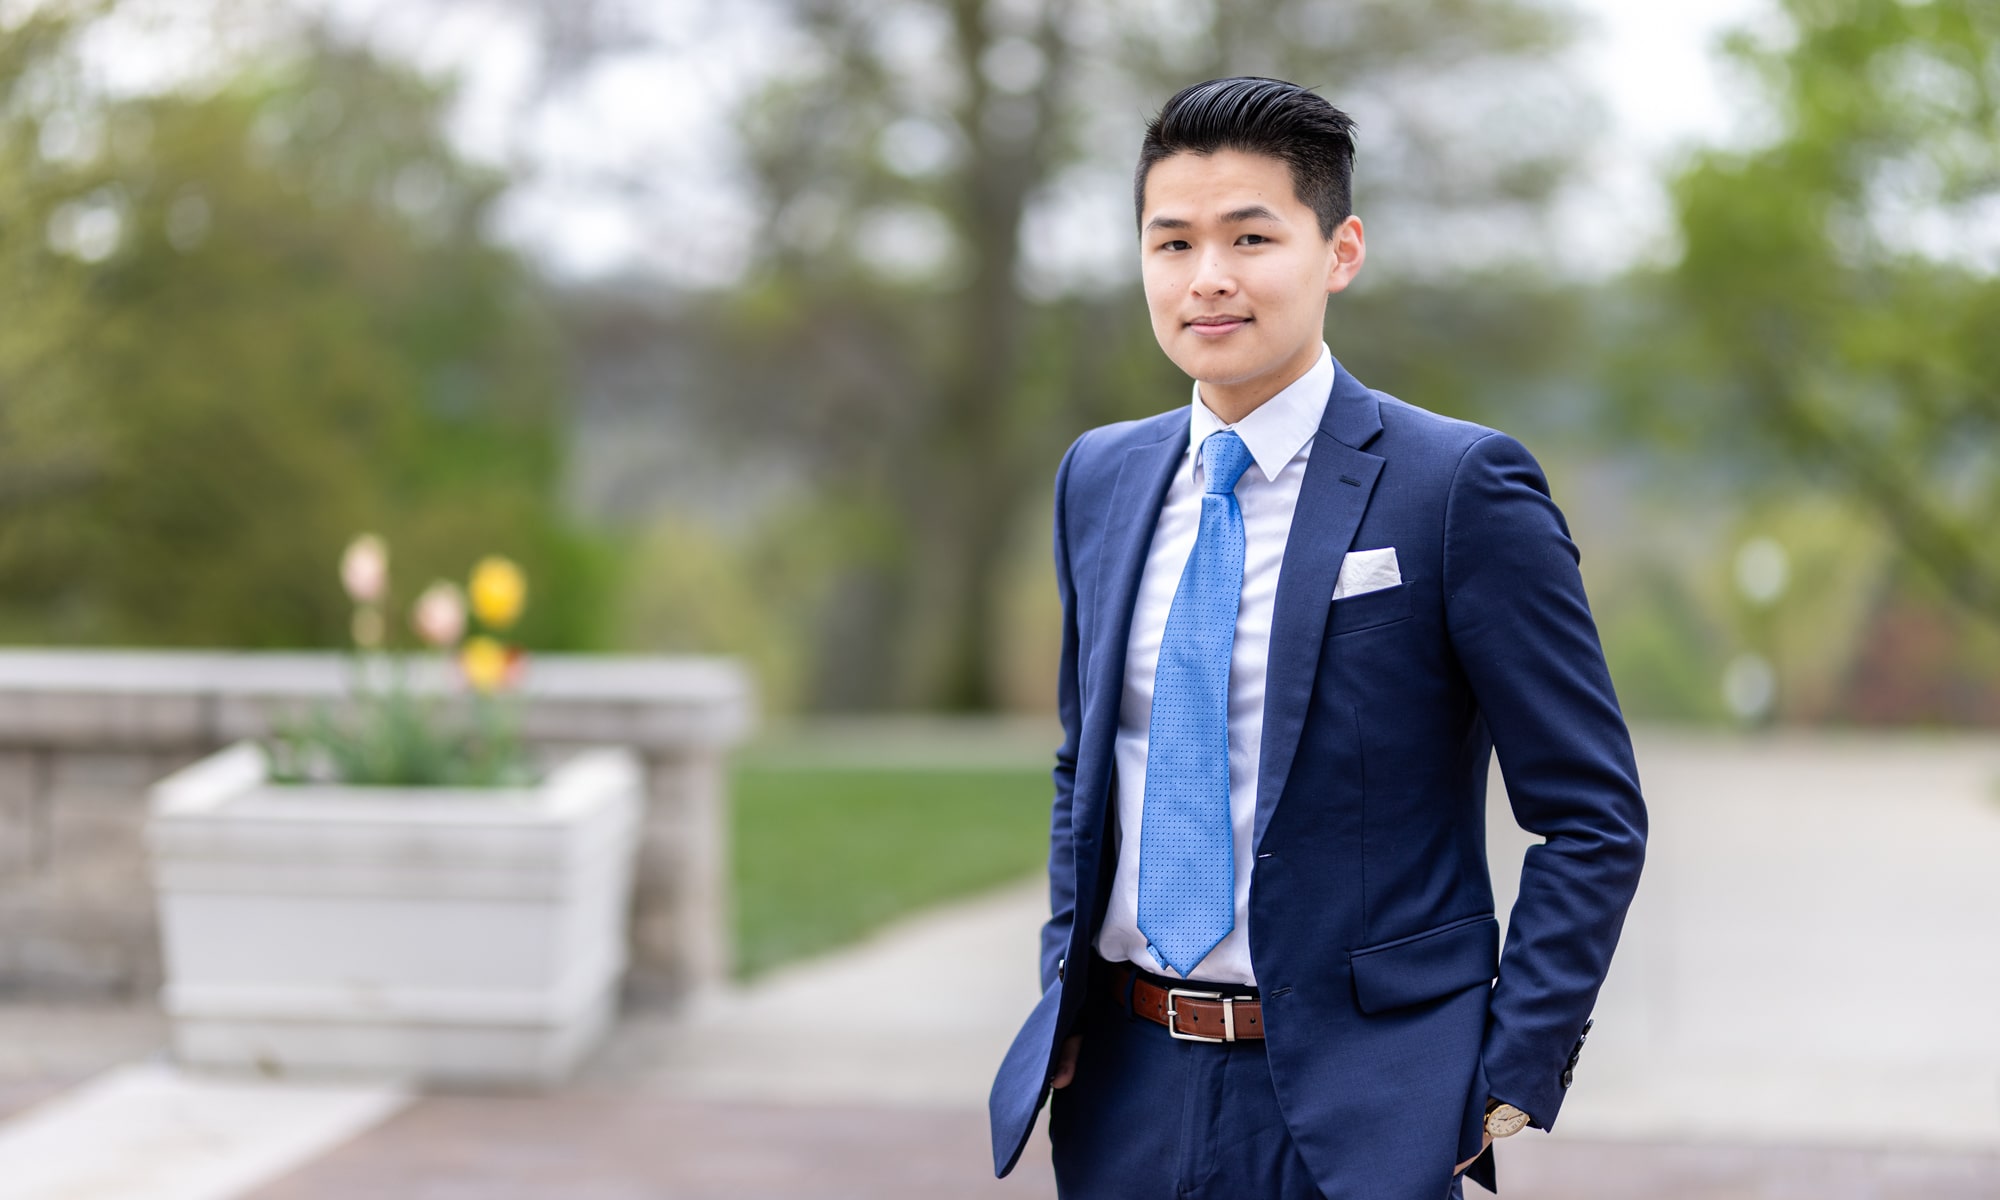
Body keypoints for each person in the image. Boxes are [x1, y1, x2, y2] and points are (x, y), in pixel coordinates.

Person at [986, 76, 1648, 1200]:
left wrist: (1507, 1067)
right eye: (1172, 242)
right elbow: (1082, 765)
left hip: (1367, 1112)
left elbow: (1590, 815)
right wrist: (1065, 990)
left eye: (1250, 237)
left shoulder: (1455, 488)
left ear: (1338, 250)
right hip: (1123, 1093)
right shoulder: (1099, 478)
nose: (1208, 278)